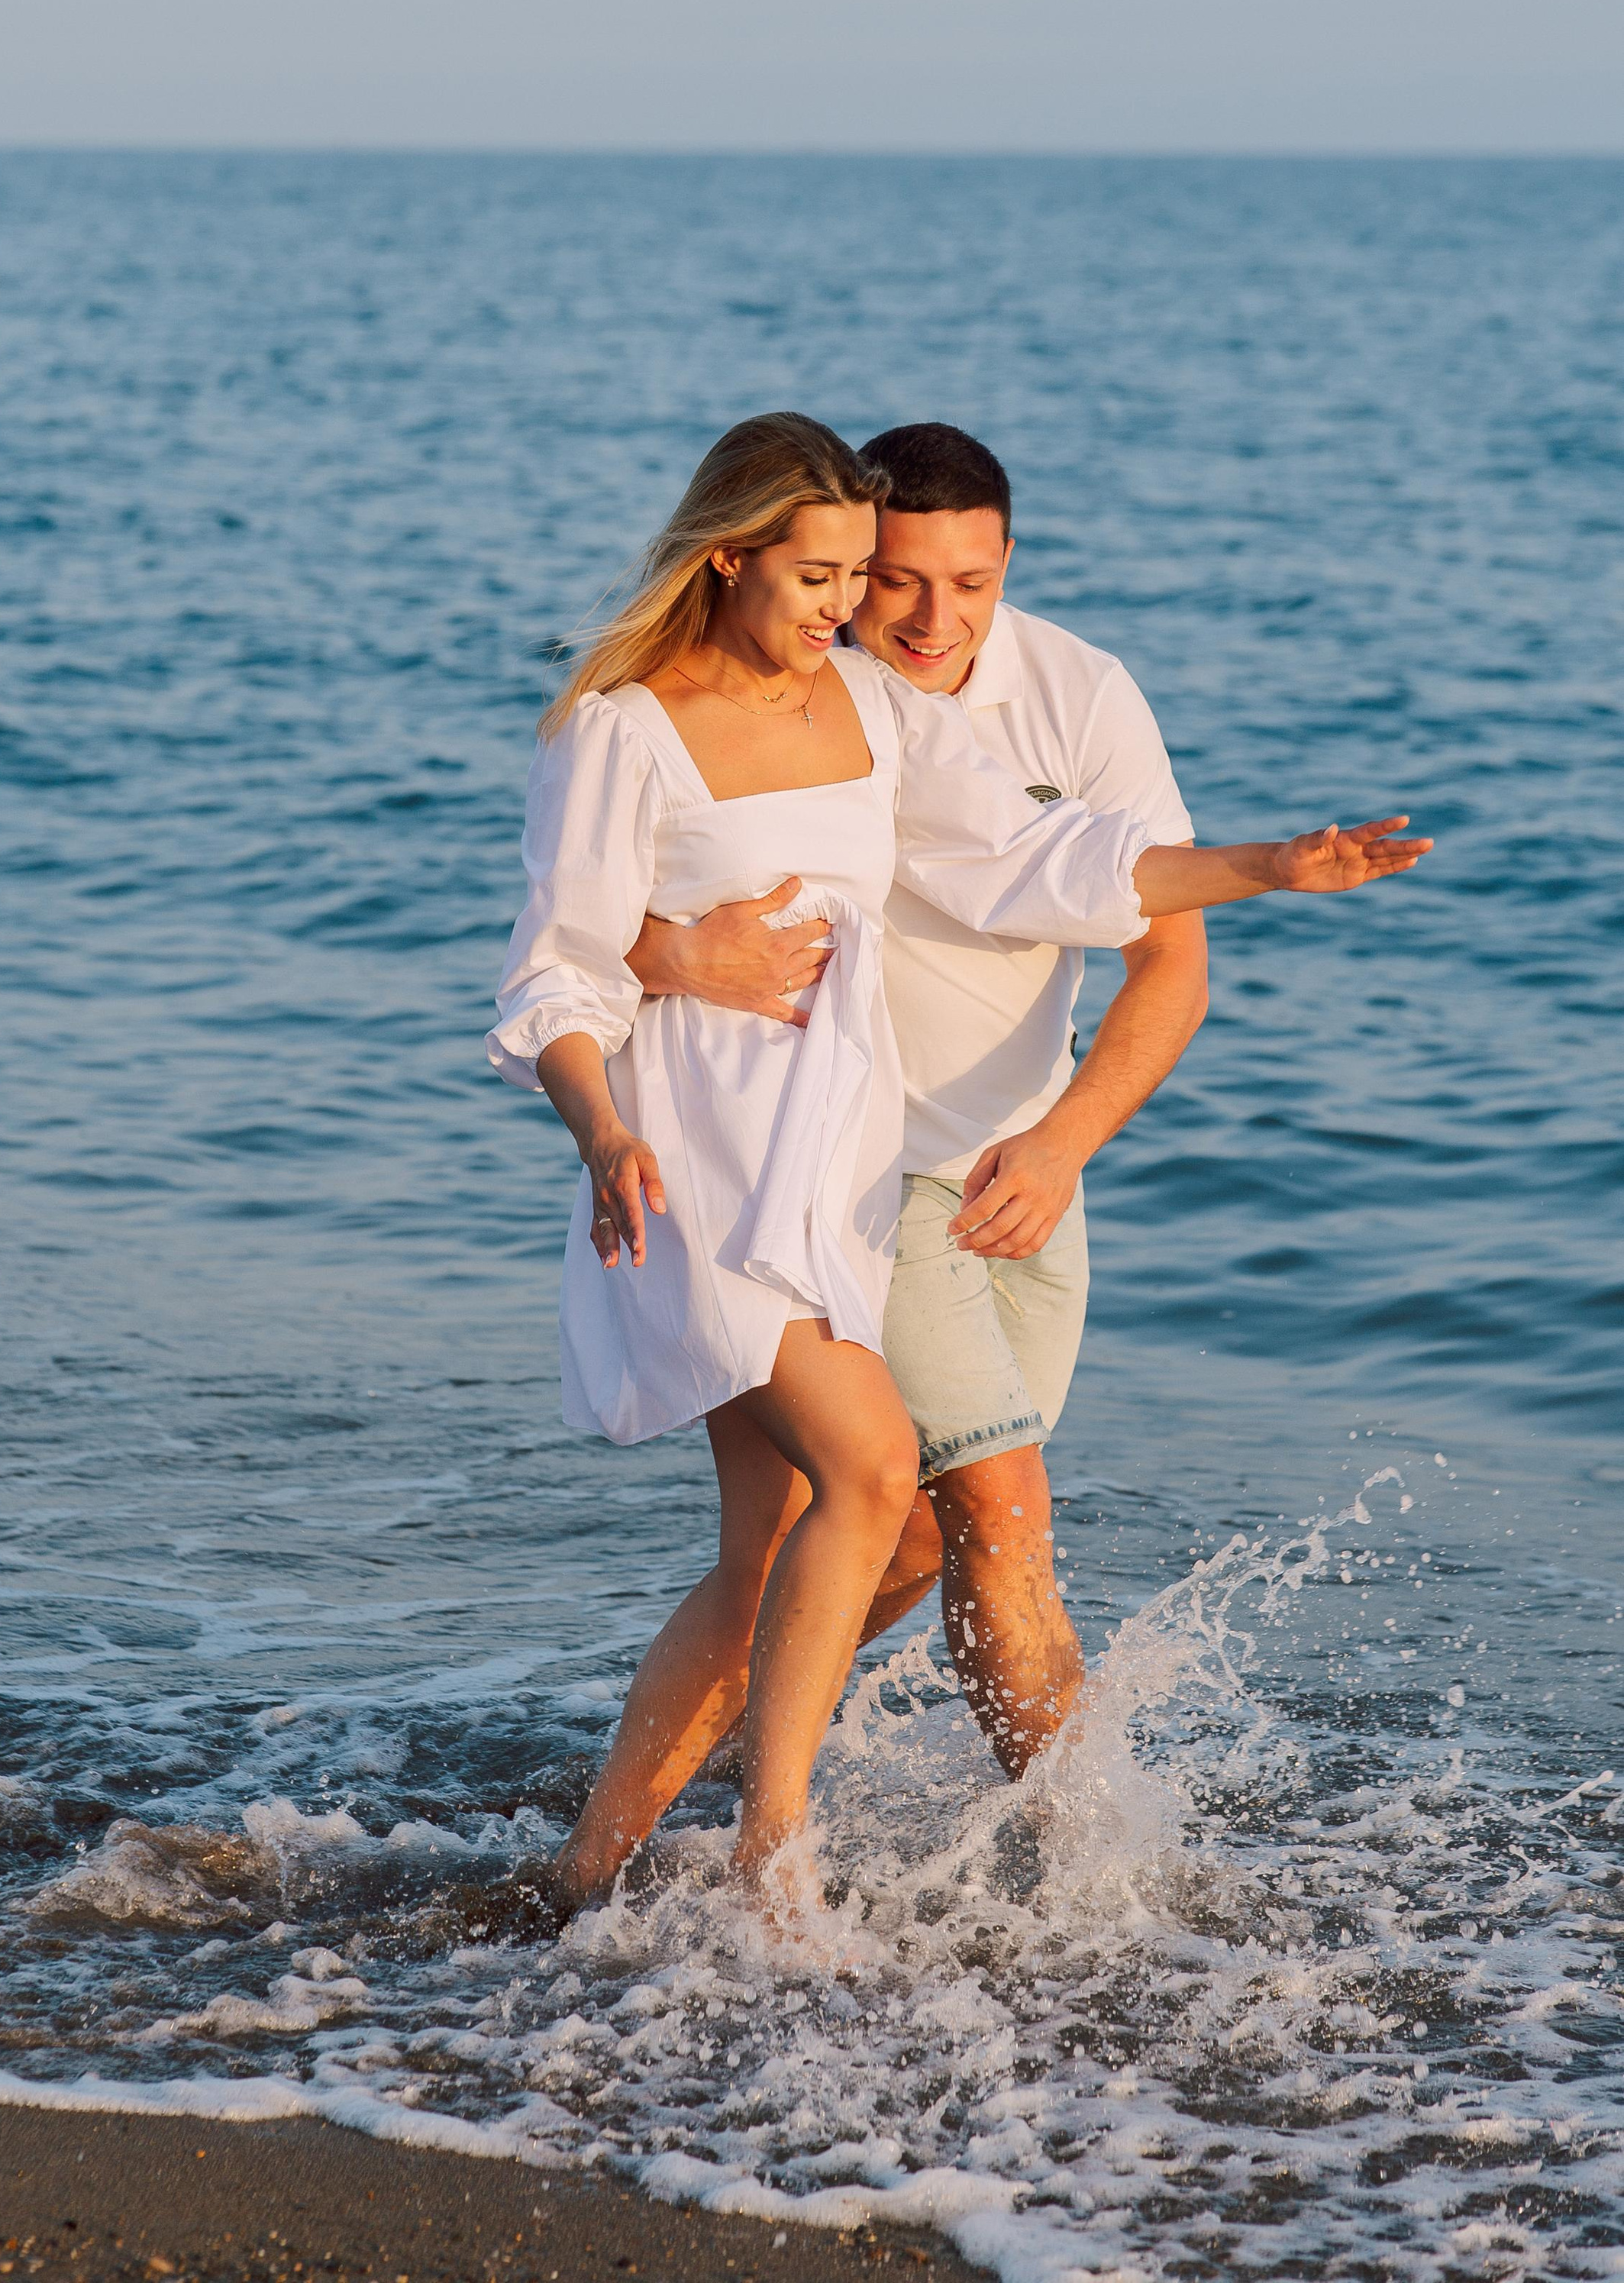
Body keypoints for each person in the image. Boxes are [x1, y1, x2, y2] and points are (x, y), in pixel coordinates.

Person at [491, 412, 1427, 1913]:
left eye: (852, 577)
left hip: (831, 1180)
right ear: (726, 560)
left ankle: (580, 1877)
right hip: (691, 1167)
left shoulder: (869, 702)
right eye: (819, 578)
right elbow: (553, 975)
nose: (844, 610)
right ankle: (773, 1857)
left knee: (772, 1551)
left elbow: (1035, 862)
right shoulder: (622, 727)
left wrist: (1265, 865)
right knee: (871, 1476)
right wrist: (601, 1127)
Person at [627, 421, 1208, 1777]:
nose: (934, 619)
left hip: (1024, 1172)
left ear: (1010, 566)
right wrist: (669, 953)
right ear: (846, 564)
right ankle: (1085, 1878)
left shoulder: (1079, 691)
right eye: (896, 582)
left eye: (976, 584)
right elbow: (590, 910)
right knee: (1002, 1514)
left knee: (906, 1543)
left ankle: (634, 1830)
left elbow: (1163, 958)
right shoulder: (783, 688)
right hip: (847, 1180)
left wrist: (1064, 1147)